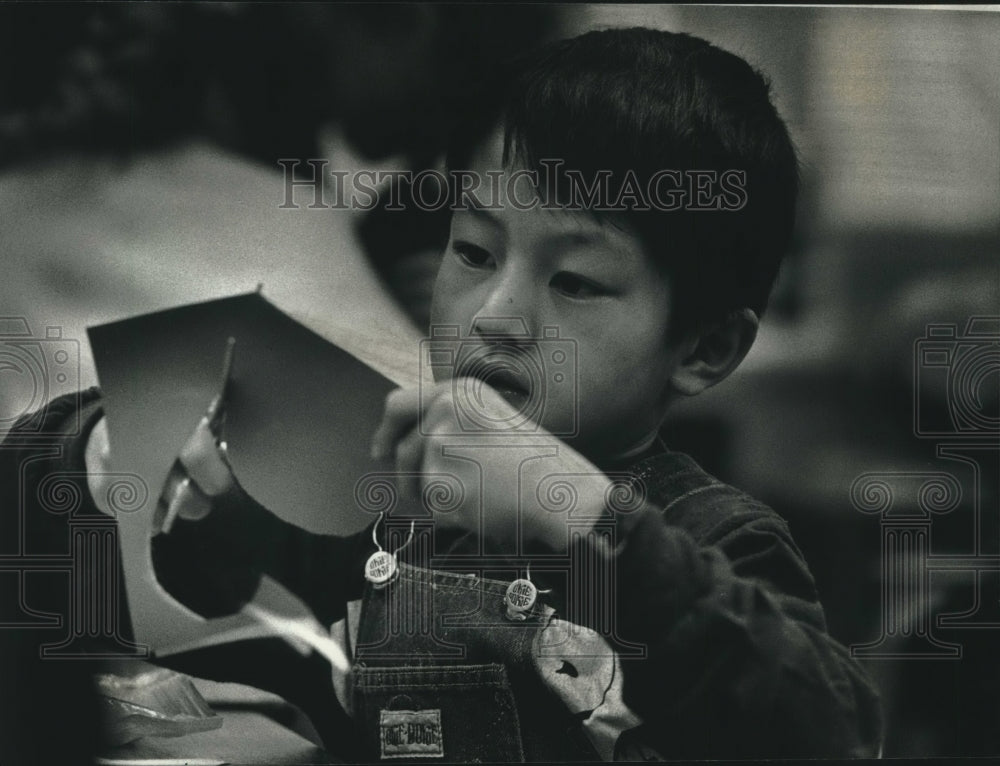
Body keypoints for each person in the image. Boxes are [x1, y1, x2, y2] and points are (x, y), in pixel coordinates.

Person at [6, 27, 883, 761]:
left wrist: (583, 512)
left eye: (574, 281)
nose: (496, 315)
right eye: (473, 252)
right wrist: (157, 473)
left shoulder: (711, 539)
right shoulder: (392, 500)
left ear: (705, 347)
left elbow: (833, 729)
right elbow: (216, 591)